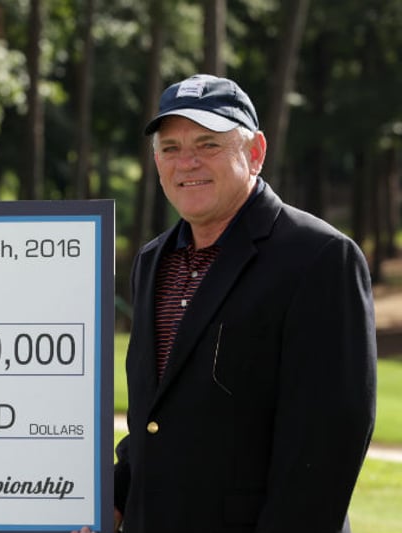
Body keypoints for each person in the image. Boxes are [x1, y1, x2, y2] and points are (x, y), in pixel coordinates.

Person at [92, 74, 376, 533]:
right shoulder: (152, 260)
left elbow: (327, 445)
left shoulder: (319, 257)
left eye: (208, 144)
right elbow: (157, 417)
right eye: (170, 148)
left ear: (256, 152)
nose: (187, 162)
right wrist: (116, 496)